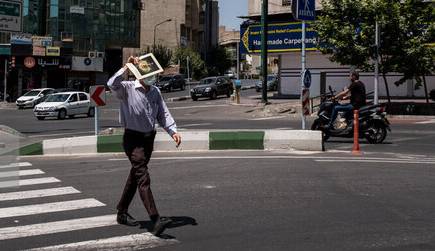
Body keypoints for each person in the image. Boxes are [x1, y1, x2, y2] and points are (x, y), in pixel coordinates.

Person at [107, 56, 182, 236]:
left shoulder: (155, 91)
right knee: (143, 177)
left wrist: (173, 131)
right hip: (133, 140)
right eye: (150, 74)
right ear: (140, 73)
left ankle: (122, 212)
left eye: (154, 74)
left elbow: (163, 113)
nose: (153, 77)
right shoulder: (127, 88)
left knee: (135, 176)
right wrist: (126, 66)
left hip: (149, 140)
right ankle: (155, 219)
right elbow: (111, 83)